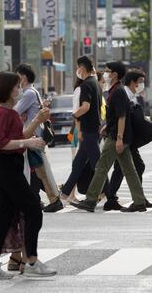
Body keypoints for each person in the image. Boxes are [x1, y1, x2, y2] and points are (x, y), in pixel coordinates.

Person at [0, 71, 56, 279]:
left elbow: (19, 136)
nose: (19, 89)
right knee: (33, 210)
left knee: (2, 217)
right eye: (16, 86)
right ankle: (30, 260)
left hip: (9, 168)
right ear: (7, 89)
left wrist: (38, 120)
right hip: (8, 169)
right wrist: (27, 143)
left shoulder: (7, 112)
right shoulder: (4, 113)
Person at [71, 61, 148, 213]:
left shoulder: (118, 91)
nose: (105, 73)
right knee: (129, 169)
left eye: (107, 70)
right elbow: (116, 116)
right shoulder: (115, 90)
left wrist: (119, 138)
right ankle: (139, 201)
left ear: (115, 74)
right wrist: (108, 126)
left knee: (101, 167)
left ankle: (90, 200)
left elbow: (122, 117)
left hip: (116, 137)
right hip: (118, 135)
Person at [103, 70, 152, 211]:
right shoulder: (123, 93)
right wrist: (118, 136)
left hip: (128, 137)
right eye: (141, 81)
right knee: (123, 168)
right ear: (133, 82)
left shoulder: (132, 95)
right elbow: (119, 116)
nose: (142, 84)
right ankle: (116, 198)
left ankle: (124, 198)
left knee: (127, 167)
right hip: (123, 137)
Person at [14, 64, 63, 213]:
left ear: (23, 77)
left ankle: (53, 199)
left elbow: (15, 111)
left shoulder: (29, 93)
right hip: (33, 135)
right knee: (35, 170)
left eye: (18, 76)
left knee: (39, 169)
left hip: (32, 135)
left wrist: (20, 114)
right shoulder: (32, 91)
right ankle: (40, 199)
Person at [60, 57, 108, 202]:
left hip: (89, 130)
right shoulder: (96, 84)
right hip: (94, 128)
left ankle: (109, 193)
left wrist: (75, 115)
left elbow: (85, 107)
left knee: (97, 165)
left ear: (82, 68)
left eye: (78, 67)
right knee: (78, 164)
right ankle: (64, 194)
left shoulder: (86, 85)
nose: (77, 71)